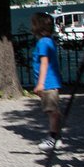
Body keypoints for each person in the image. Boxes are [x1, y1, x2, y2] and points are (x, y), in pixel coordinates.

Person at [30, 13, 63, 151]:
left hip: (48, 83)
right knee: (53, 111)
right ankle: (56, 137)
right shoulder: (49, 41)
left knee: (52, 112)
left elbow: (44, 63)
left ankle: (53, 138)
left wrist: (40, 84)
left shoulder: (43, 43)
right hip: (51, 82)